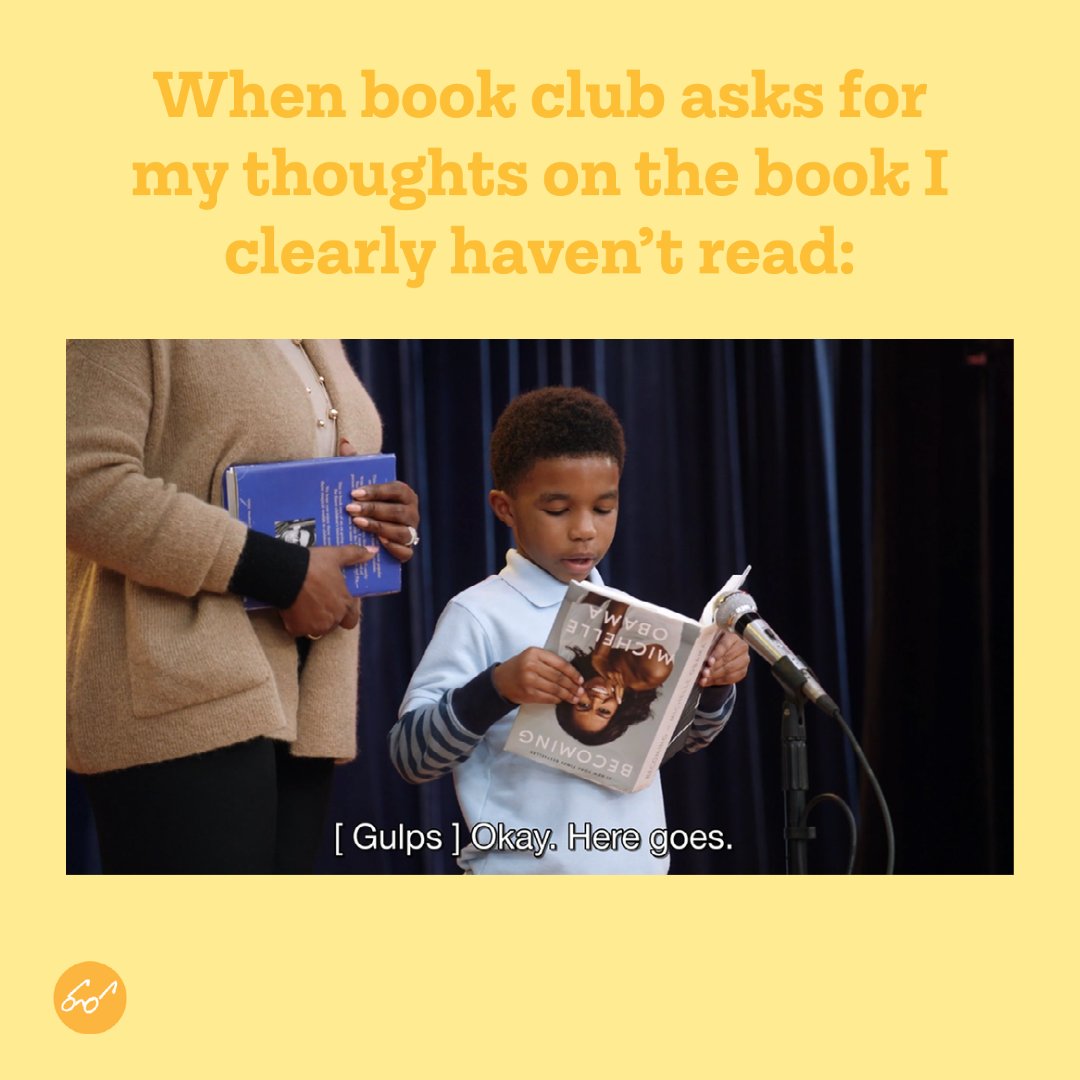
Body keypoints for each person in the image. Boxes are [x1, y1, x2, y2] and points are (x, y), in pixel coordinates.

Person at [67, 339, 419, 873]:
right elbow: (78, 482)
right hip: (177, 687)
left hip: (302, 694)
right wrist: (280, 572)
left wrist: (382, 517)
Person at [391, 386, 749, 874]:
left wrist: (714, 686)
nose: (585, 529)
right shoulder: (478, 612)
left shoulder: (630, 616)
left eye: (603, 509)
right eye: (558, 510)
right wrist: (496, 688)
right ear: (505, 507)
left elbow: (683, 742)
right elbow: (411, 756)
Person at [553, 596, 674, 746]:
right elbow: (622, 601)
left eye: (583, 705)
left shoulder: (571, 644)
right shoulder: (647, 676)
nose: (596, 700)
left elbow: (612, 593)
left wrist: (600, 654)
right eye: (604, 711)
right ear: (620, 710)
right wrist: (601, 655)